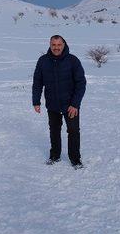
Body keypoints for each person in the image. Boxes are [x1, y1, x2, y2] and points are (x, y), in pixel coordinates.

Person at [33, 35, 87, 169]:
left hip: (70, 105)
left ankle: (75, 160)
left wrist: (75, 104)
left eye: (59, 45)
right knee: (54, 130)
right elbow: (37, 82)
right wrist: (36, 101)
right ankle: (55, 156)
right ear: (50, 45)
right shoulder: (43, 61)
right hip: (52, 103)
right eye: (53, 45)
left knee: (73, 131)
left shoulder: (72, 60)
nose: (56, 47)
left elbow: (81, 83)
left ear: (64, 45)